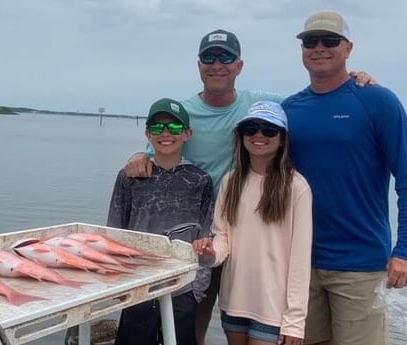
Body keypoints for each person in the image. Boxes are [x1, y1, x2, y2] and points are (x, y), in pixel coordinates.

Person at [123, 29, 373, 345]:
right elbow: (161, 143)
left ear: (239, 65)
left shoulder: (263, 105)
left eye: (225, 57)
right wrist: (137, 155)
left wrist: (351, 81)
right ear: (198, 65)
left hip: (251, 243)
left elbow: (313, 101)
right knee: (189, 330)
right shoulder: (185, 112)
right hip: (199, 240)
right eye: (209, 58)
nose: (217, 64)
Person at [282, 11, 407, 345]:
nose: (319, 48)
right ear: (301, 50)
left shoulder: (378, 101)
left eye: (330, 40)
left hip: (361, 264)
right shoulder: (289, 109)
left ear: (348, 48)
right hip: (300, 263)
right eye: (311, 41)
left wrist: (406, 250)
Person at [193, 101, 312, 345]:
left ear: (282, 139)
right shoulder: (231, 181)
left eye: (269, 130)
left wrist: (295, 322)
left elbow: (300, 261)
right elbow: (223, 236)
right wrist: (209, 254)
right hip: (234, 301)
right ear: (241, 136)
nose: (259, 135)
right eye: (251, 128)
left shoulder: (296, 187)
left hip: (273, 309)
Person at [107, 97, 215, 345]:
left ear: (187, 134)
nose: (165, 133)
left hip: (183, 290)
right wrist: (120, 286)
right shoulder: (128, 178)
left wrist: (196, 292)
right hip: (138, 288)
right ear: (147, 134)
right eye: (157, 128)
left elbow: (206, 237)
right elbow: (114, 233)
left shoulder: (200, 180)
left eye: (174, 128)